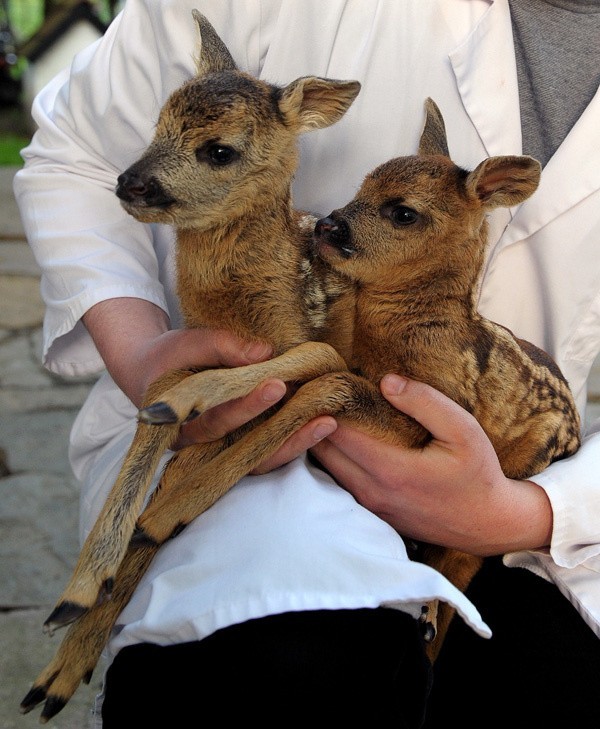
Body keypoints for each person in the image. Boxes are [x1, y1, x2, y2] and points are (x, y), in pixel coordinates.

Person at [14, 0, 600, 726]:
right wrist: (139, 349)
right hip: (257, 460)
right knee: (291, 667)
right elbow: (78, 152)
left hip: (525, 492)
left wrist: (534, 510)